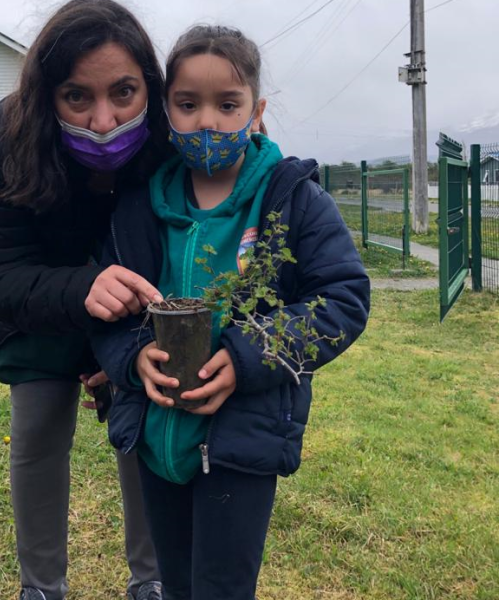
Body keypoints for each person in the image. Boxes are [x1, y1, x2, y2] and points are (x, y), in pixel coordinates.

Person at [92, 25, 371, 600]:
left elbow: (344, 298)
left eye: (228, 104)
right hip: (154, 437)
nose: (208, 122)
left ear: (257, 110)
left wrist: (247, 357)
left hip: (241, 440)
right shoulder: (139, 205)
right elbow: (110, 310)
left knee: (221, 587)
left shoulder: (292, 199)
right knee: (174, 581)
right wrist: (132, 358)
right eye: (188, 104)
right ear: (165, 109)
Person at [0, 1, 171, 599]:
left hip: (136, 305)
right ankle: (42, 588)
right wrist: (84, 287)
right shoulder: (4, 135)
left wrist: (116, 355)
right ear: (45, 94)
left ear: (149, 89)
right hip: (32, 306)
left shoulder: (166, 138)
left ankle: (152, 581)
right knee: (38, 429)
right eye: (76, 96)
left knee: (146, 421)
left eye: (124, 93)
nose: (104, 120)